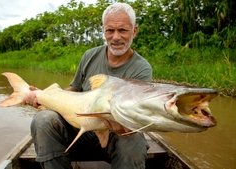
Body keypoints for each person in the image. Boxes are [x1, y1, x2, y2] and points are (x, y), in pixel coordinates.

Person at [25, 2, 152, 169]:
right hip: (80, 130)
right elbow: (74, 90)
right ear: (103, 30)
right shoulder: (90, 56)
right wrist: (47, 98)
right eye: (110, 30)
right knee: (43, 120)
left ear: (134, 31)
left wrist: (115, 123)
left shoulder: (141, 68)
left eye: (122, 30)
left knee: (134, 140)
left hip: (116, 136)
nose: (115, 37)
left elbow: (135, 115)